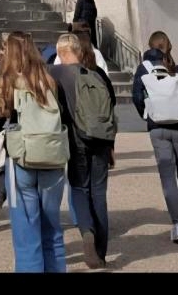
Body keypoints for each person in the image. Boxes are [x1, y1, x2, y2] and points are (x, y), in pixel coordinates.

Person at [0, 30, 72, 272]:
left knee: (26, 234)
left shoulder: (6, 83)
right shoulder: (50, 81)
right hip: (52, 157)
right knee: (52, 228)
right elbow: (65, 117)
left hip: (21, 159)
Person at [51, 30, 116, 268]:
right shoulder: (97, 74)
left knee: (79, 188)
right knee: (99, 193)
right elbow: (110, 109)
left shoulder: (53, 74)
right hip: (100, 138)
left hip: (75, 139)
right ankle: (101, 251)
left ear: (59, 52)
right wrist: (111, 144)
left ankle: (87, 231)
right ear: (79, 51)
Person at [131, 29, 178, 243]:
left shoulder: (143, 70)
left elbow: (137, 97)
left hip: (158, 126)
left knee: (167, 176)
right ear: (169, 47)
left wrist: (148, 114)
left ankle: (177, 224)